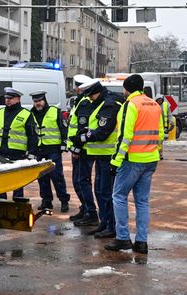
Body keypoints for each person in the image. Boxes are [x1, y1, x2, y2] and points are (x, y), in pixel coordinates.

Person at [105, 75, 163, 254]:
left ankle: (122, 238)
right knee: (142, 202)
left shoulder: (130, 105)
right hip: (150, 159)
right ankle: (141, 242)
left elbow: (125, 136)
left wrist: (115, 160)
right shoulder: (154, 105)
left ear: (127, 89)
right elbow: (160, 134)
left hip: (132, 160)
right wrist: (157, 153)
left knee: (119, 196)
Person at [72, 80, 121, 238]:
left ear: (98, 92)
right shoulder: (101, 103)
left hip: (108, 156)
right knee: (99, 190)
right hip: (100, 155)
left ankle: (111, 226)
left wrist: (83, 138)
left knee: (106, 192)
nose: (90, 99)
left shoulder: (109, 104)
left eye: (91, 95)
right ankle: (104, 223)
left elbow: (102, 132)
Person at [0, 87, 37, 200]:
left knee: (17, 182)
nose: (8, 100)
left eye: (11, 98)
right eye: (6, 98)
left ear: (18, 99)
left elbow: (32, 136)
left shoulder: (26, 114)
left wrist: (31, 153)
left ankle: (18, 205)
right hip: (0, 153)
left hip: (17, 154)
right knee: (0, 181)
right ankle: (0, 203)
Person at [29, 90, 69, 213]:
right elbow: (29, 134)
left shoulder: (55, 111)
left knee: (57, 177)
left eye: (39, 101)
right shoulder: (31, 114)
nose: (37, 104)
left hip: (53, 150)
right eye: (35, 101)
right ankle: (46, 201)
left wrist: (64, 144)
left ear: (45, 101)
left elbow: (63, 129)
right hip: (39, 151)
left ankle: (63, 201)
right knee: (42, 177)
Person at [66, 75, 97, 223]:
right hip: (80, 148)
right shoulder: (81, 101)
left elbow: (82, 128)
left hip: (81, 149)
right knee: (80, 180)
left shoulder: (84, 103)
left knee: (81, 181)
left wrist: (77, 149)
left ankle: (90, 212)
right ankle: (85, 209)